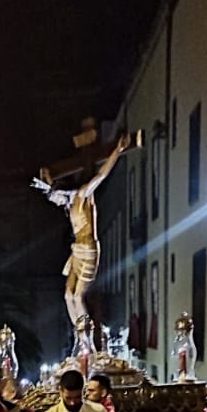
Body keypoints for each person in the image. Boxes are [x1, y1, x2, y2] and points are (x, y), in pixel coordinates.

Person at [32, 133, 131, 352]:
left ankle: (89, 342)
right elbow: (52, 194)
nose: (56, 199)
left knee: (78, 295)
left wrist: (117, 151)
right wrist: (47, 181)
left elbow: (102, 175)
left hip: (88, 249)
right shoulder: (68, 202)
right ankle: (80, 337)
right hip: (76, 250)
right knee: (68, 295)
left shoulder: (85, 195)